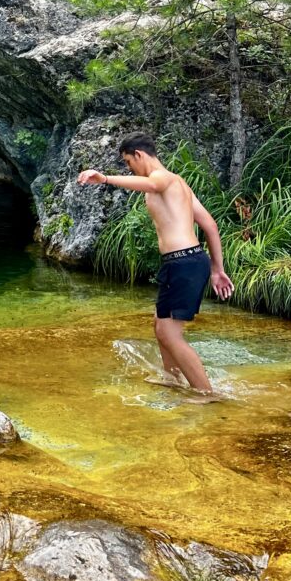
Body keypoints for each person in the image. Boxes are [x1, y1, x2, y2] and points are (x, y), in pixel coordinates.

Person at [77, 132, 235, 401]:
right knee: (160, 325)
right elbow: (210, 225)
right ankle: (172, 378)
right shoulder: (179, 184)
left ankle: (206, 394)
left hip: (184, 262)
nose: (129, 168)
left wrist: (105, 179)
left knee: (169, 333)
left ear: (139, 155)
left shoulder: (163, 178)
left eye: (128, 162)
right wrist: (216, 269)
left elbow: (151, 184)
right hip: (184, 261)